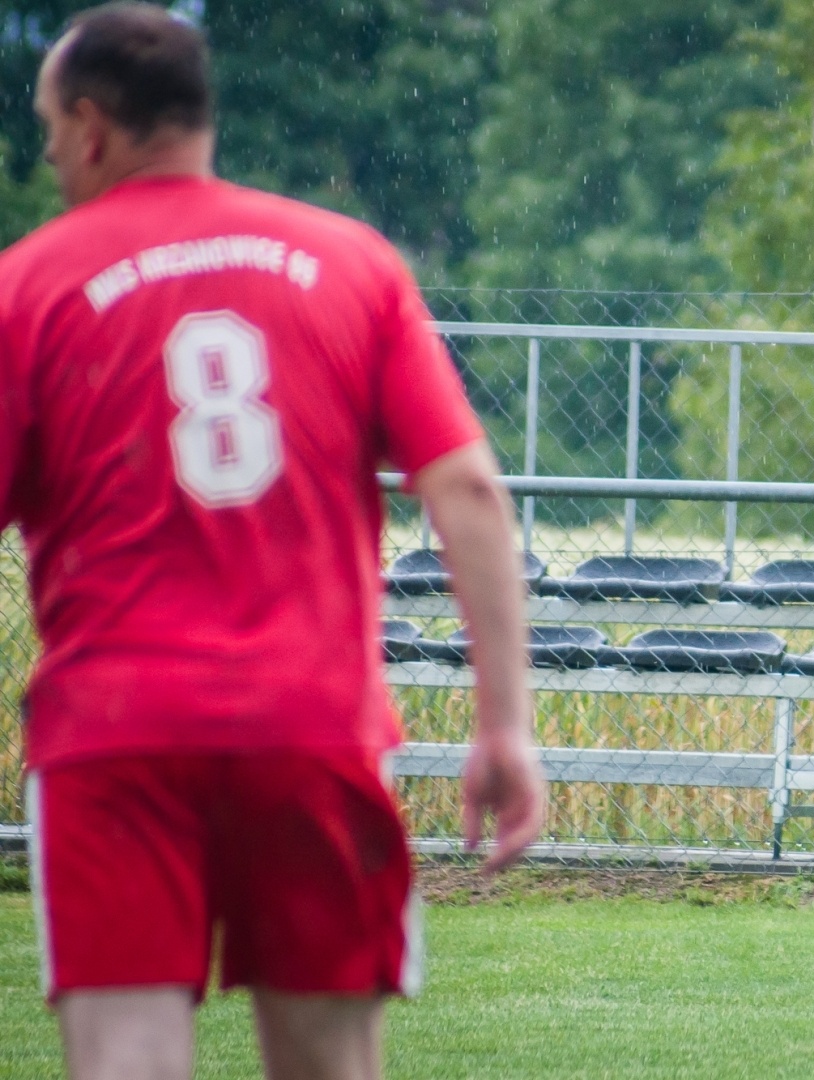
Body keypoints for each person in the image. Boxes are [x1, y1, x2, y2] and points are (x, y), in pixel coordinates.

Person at [0, 6, 546, 1078]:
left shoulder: (30, 286)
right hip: (311, 728)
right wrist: (506, 724)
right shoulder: (351, 261)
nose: (50, 151)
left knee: (125, 1062)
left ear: (96, 125)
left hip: (116, 737)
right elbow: (471, 491)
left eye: (50, 126)